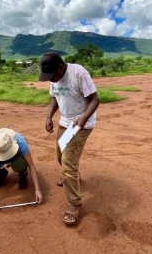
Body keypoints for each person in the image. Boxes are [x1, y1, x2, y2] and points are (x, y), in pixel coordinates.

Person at [39, 52, 99, 225]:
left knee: (68, 162)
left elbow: (95, 100)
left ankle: (74, 204)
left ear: (61, 67)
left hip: (81, 124)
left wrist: (82, 120)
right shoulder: (54, 78)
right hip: (65, 122)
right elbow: (55, 98)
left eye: (53, 76)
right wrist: (49, 116)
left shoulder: (78, 73)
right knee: (60, 155)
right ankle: (74, 177)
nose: (51, 80)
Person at [0, 128, 43, 210]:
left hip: (16, 157)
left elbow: (31, 166)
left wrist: (37, 189)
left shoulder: (20, 141)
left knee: (19, 163)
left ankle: (23, 175)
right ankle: (2, 174)